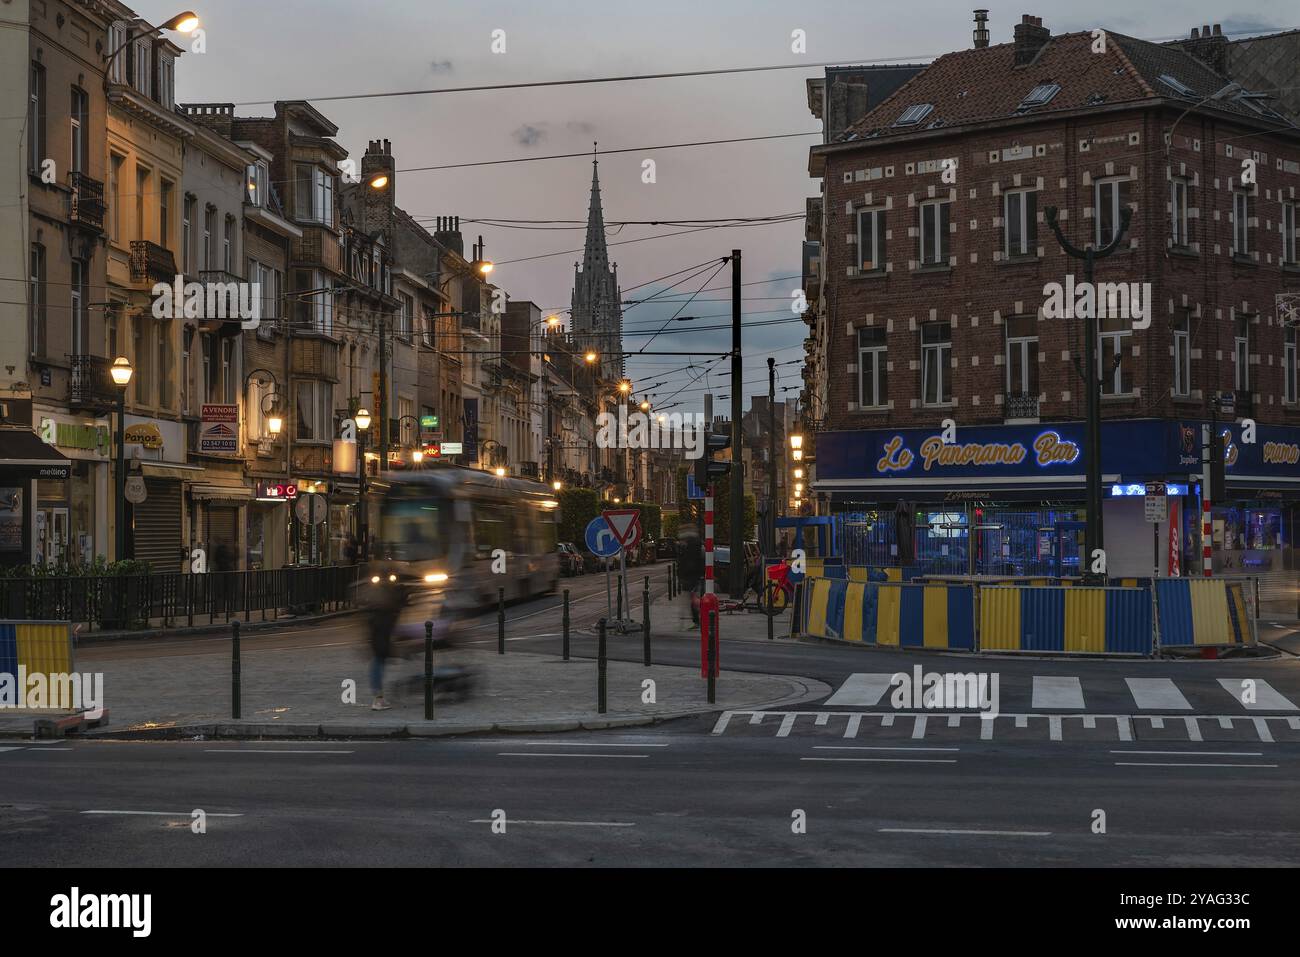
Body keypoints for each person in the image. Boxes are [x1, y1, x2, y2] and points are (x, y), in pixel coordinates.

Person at [366, 575, 405, 710]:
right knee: (379, 660)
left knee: (379, 660)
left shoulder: (379, 595)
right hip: (381, 630)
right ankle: (378, 699)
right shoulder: (386, 599)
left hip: (380, 629)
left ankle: (379, 697)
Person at [677, 527, 704, 625]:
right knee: (693, 598)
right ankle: (697, 619)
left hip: (691, 577)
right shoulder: (696, 546)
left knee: (693, 598)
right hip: (693, 576)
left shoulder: (690, 548)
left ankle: (698, 619)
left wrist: (682, 575)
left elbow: (686, 563)